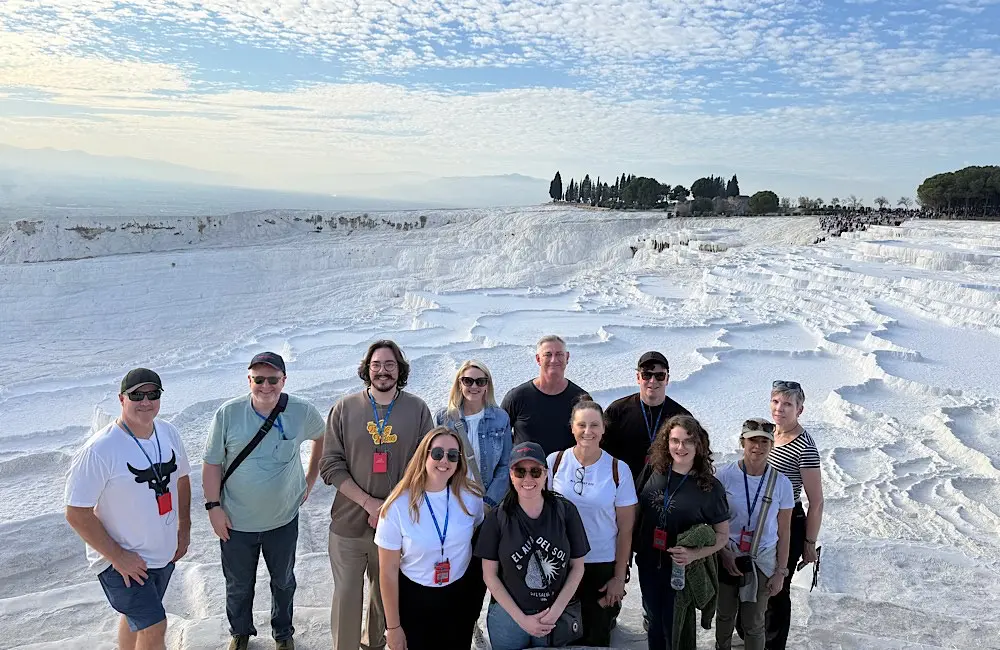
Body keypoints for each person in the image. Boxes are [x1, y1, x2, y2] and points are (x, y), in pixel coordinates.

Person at [202, 352, 326, 650]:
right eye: (259, 379)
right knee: (239, 584)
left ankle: (283, 634)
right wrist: (213, 508)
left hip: (283, 519)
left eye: (273, 379)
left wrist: (309, 480)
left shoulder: (301, 410)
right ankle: (240, 632)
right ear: (249, 380)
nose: (266, 386)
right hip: (236, 521)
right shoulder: (228, 414)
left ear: (284, 380)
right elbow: (211, 464)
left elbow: (322, 438)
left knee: (283, 581)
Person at [65, 368, 191, 650]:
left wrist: (184, 528)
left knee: (138, 619)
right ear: (122, 399)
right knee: (155, 626)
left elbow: (182, 478)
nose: (145, 402)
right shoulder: (100, 449)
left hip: (162, 553)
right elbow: (76, 512)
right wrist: (119, 556)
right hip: (120, 561)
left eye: (152, 394)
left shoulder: (169, 433)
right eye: (137, 395)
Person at [320, 340, 434, 650]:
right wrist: (370, 503)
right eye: (376, 365)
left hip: (397, 525)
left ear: (400, 370)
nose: (382, 371)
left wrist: (389, 507)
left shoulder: (417, 409)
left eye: (389, 365)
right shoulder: (344, 408)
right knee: (346, 597)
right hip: (348, 523)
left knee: (384, 598)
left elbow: (426, 465)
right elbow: (330, 465)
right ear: (366, 369)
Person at [375, 427, 485, 650]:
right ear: (424, 455)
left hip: (458, 597)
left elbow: (474, 539)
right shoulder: (397, 506)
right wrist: (393, 628)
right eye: (437, 453)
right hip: (415, 599)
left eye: (453, 455)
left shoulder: (471, 498)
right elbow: (387, 573)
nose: (444, 460)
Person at [475, 442, 590, 650]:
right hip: (509, 618)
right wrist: (522, 619)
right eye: (520, 471)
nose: (528, 479)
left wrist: (555, 611)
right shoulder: (498, 517)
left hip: (555, 615)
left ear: (546, 474)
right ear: (511, 475)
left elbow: (578, 567)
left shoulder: (565, 511)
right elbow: (489, 575)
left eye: (535, 471)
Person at [633, 415, 729, 650]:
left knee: (674, 628)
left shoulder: (709, 487)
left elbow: (722, 536)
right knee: (654, 624)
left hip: (679, 570)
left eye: (688, 441)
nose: (680, 447)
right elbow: (636, 512)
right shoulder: (653, 469)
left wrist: (695, 555)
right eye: (675, 440)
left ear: (699, 444)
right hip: (647, 563)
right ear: (666, 443)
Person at [546, 400, 637, 647]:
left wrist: (619, 578)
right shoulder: (554, 462)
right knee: (560, 634)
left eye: (594, 425)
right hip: (560, 563)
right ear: (572, 428)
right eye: (582, 425)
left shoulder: (619, 469)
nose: (588, 431)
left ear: (604, 429)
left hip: (600, 565)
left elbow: (626, 530)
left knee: (596, 635)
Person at [435, 359, 512, 637]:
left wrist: (489, 503)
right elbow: (435, 463)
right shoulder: (444, 417)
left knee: (482, 570)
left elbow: (506, 465)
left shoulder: (500, 418)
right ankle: (457, 623)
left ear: (488, 385)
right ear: (459, 383)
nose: (474, 386)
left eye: (481, 381)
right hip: (452, 506)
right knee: (453, 566)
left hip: (487, 508)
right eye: (468, 380)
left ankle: (470, 621)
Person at [715, 419, 794, 650]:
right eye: (752, 440)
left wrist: (781, 571)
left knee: (754, 622)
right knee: (725, 615)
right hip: (728, 555)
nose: (757, 447)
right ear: (742, 442)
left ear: (772, 445)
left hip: (761, 559)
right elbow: (713, 522)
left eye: (764, 441)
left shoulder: (781, 484)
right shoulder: (724, 476)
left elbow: (784, 530)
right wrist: (723, 554)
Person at [762, 380, 824, 649]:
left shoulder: (804, 447)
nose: (780, 408)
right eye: (776, 402)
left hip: (790, 520)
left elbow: (817, 501)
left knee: (778, 588)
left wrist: (810, 543)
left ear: (800, 410)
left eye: (788, 404)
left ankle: (773, 645)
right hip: (762, 518)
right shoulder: (768, 434)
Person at [604, 351, 691, 480]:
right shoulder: (617, 411)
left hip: (663, 490)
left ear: (667, 379)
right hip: (622, 487)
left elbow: (692, 456)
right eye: (646, 375)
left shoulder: (682, 416)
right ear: (638, 378)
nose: (652, 380)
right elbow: (602, 452)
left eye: (659, 375)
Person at [501, 335, 589, 456]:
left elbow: (589, 440)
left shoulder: (581, 399)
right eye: (548, 354)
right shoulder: (516, 397)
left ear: (567, 357)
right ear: (538, 359)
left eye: (559, 354)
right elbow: (499, 438)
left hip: (566, 472)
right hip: (526, 473)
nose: (554, 360)